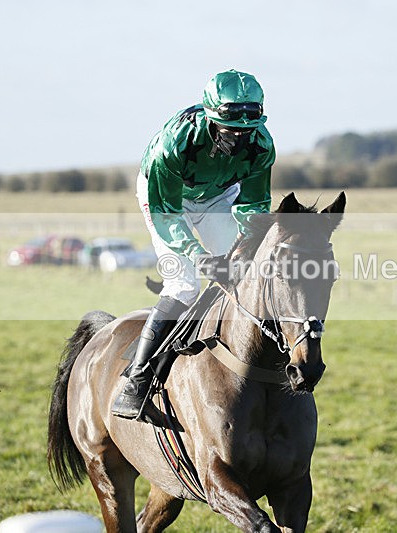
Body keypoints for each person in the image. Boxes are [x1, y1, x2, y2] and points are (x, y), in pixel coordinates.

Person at [112, 69, 276, 419]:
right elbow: (167, 215)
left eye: (248, 131)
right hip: (166, 202)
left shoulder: (262, 145)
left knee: (243, 273)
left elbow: (253, 206)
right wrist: (201, 257)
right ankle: (136, 380)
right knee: (185, 284)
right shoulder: (173, 145)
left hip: (217, 198)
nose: (240, 139)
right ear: (211, 118)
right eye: (231, 129)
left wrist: (248, 246)